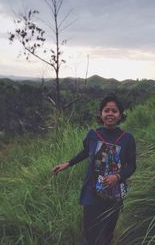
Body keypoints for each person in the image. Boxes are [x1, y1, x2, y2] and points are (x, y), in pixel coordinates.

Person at [51, 94, 137, 245]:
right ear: (101, 114)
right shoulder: (93, 135)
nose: (110, 113)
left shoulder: (127, 138)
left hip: (114, 193)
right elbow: (86, 152)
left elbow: (131, 165)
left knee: (108, 231)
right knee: (90, 231)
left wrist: (117, 177)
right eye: (106, 110)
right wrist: (68, 163)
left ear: (120, 115)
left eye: (114, 111)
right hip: (91, 190)